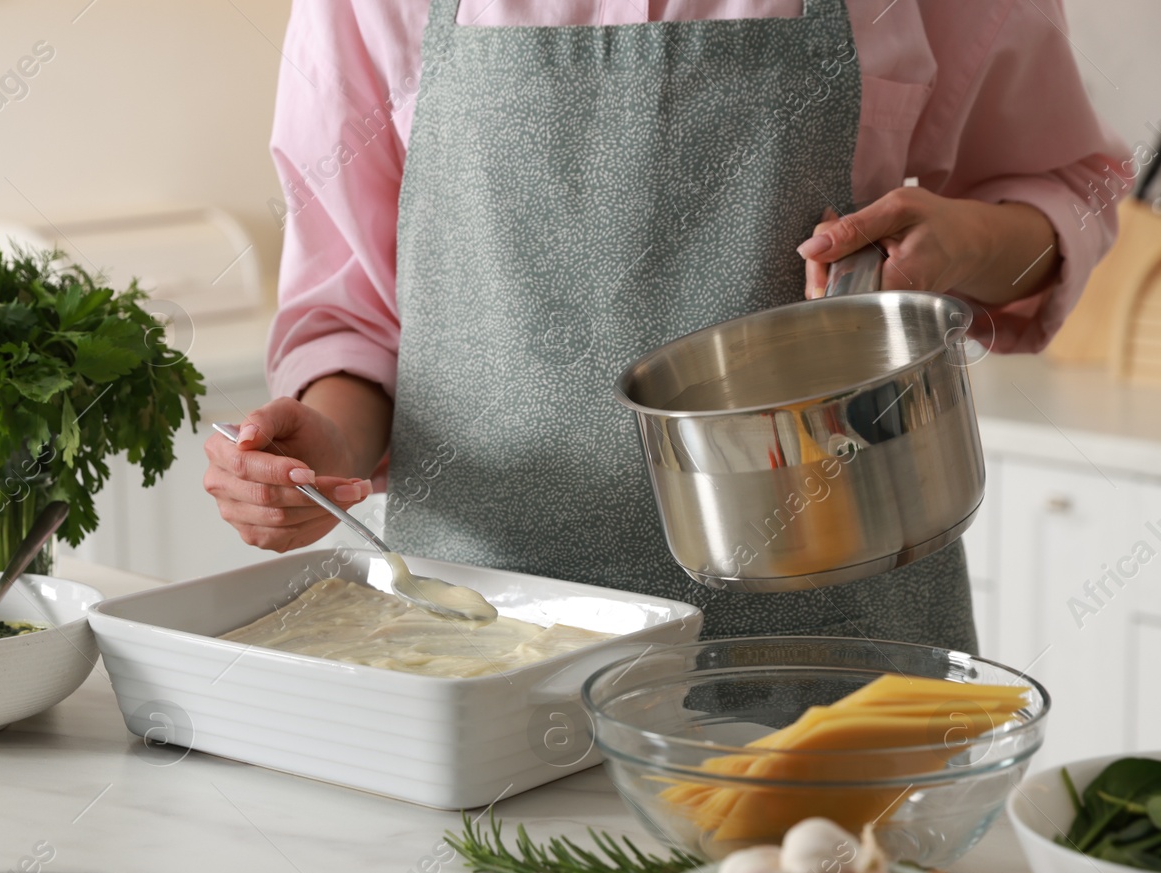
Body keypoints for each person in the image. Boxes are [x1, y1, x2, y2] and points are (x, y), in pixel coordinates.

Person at [204, 0, 1128, 652]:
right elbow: (357, 311)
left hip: (840, 628)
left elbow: (1071, 192)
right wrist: (324, 441)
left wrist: (968, 242)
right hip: (479, 639)